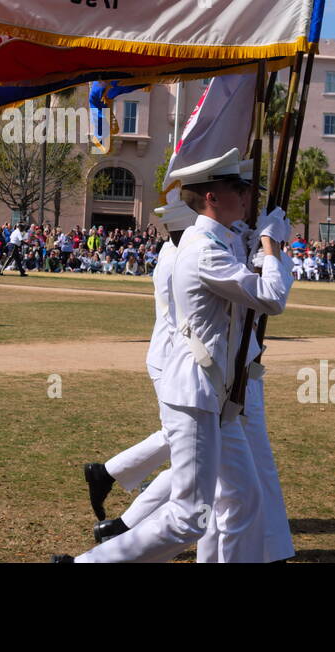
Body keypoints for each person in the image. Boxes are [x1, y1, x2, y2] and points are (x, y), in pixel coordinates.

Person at [62, 149, 292, 563]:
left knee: (244, 497)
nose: (245, 196)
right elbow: (272, 299)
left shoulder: (215, 241)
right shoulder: (204, 249)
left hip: (218, 393)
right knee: (190, 518)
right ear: (212, 197)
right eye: (237, 188)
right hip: (196, 392)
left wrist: (261, 245)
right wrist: (272, 245)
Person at [82, 194, 197, 537]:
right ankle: (123, 522)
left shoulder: (171, 251)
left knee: (185, 443)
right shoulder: (184, 256)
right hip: (174, 361)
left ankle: (108, 480)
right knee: (192, 450)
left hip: (170, 357)